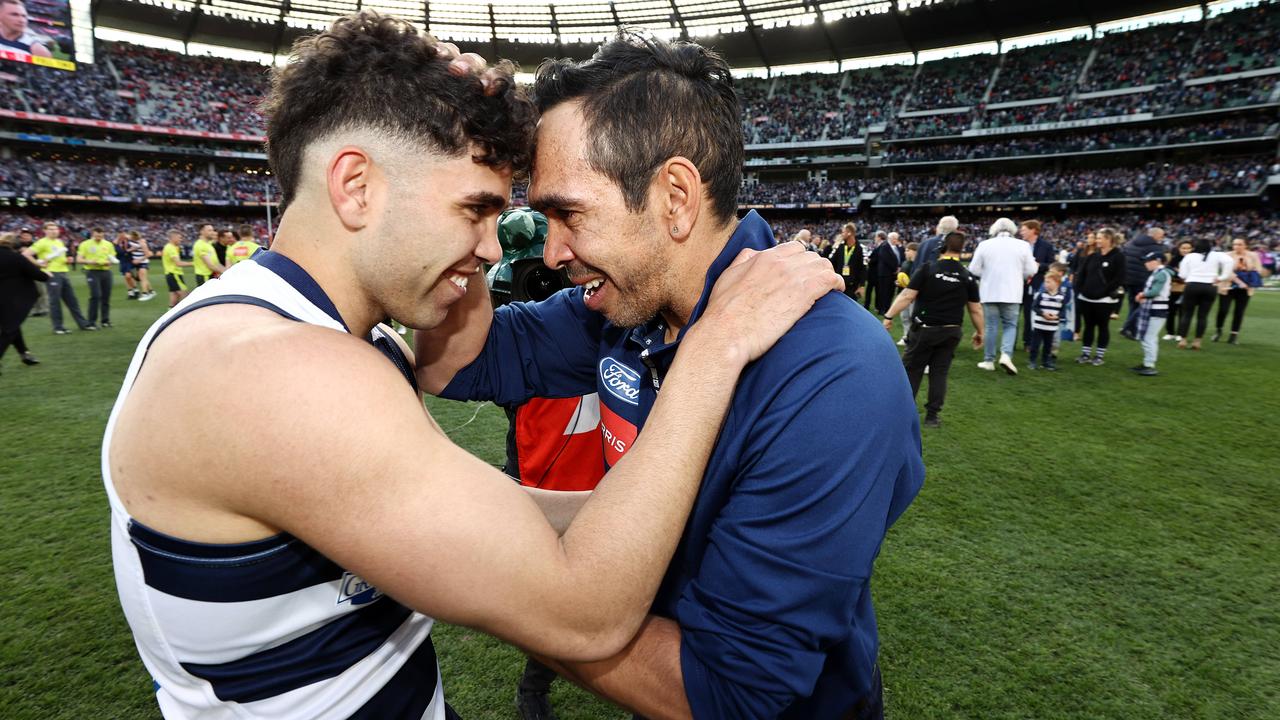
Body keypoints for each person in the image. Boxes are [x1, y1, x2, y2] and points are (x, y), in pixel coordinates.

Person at [102, 14, 841, 719]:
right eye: (474, 209)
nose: (495, 250)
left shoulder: (319, 337)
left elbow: (481, 512)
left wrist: (691, 517)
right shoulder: (274, 375)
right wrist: (715, 345)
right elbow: (585, 615)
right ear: (356, 186)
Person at [420, 32, 923, 719]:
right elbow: (454, 360)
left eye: (567, 213)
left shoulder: (833, 373)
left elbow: (728, 694)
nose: (554, 250)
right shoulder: (622, 304)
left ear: (675, 198)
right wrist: (465, 172)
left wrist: (489, 585)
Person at [881, 230, 982, 428]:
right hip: (951, 331)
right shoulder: (966, 276)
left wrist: (888, 316)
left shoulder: (928, 268)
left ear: (942, 247)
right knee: (939, 373)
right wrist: (980, 332)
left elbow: (907, 296)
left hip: (925, 329)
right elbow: (975, 309)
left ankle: (902, 413)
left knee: (912, 370)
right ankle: (932, 416)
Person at [968, 217, 1036, 375]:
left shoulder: (985, 245)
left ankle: (988, 360)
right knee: (1010, 325)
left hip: (990, 291)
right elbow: (1031, 270)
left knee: (991, 326)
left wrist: (987, 274)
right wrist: (1020, 275)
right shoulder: (1023, 245)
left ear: (994, 229)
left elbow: (974, 269)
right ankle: (1006, 355)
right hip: (1013, 292)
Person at [25, 222, 92, 334]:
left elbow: (60, 258)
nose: (54, 231)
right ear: (45, 231)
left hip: (63, 273)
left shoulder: (59, 242)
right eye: (50, 229)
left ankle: (83, 324)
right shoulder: (42, 242)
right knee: (55, 301)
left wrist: (67, 260)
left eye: (56, 229)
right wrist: (38, 264)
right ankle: (58, 327)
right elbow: (26, 254)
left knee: (72, 300)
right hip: (52, 274)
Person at [1073, 227, 1124, 365]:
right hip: (1086, 298)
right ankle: (1085, 354)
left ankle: (1099, 356)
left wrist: (1103, 292)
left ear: (1109, 239)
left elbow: (1119, 278)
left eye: (1100, 238)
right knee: (1088, 326)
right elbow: (1081, 275)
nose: (1097, 240)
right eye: (1097, 238)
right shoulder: (1092, 256)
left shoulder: (1118, 256)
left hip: (1105, 300)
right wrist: (1081, 290)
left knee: (1103, 326)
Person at [0, 231, 46, 374]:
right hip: (11, 299)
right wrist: (47, 273)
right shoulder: (16, 258)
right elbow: (38, 275)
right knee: (10, 329)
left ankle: (25, 354)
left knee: (13, 325)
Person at [1175, 237, 1233, 350]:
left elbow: (1182, 275)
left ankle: (1183, 340)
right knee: (1203, 316)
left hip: (1192, 285)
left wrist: (1190, 277)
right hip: (1209, 286)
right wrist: (1222, 277)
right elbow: (1230, 261)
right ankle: (1197, 342)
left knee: (1187, 314)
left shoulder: (1190, 256)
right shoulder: (1217, 255)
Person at [1130, 250, 1174, 376]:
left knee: (1149, 338)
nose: (1145, 263)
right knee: (1149, 337)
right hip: (1156, 309)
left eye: (1148, 261)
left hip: (1156, 309)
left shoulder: (1161, 274)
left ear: (1158, 261)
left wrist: (1142, 294)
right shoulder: (1160, 273)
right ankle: (1147, 363)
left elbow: (1155, 291)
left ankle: (1149, 365)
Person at [1212, 237, 1262, 344]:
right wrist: (1239, 282)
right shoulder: (1227, 255)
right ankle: (1218, 330)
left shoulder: (1253, 255)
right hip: (1227, 287)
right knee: (1223, 310)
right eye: (1235, 244)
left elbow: (1258, 270)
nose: (1236, 247)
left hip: (1245, 289)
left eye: (1239, 244)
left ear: (1245, 245)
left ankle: (1234, 335)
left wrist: (1250, 279)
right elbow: (1227, 272)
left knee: (1239, 312)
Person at [1018, 220, 1055, 349]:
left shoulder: (1046, 246)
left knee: (1030, 316)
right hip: (1018, 285)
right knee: (1013, 316)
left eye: (1024, 229)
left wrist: (1039, 266)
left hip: (1035, 285)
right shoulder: (1019, 245)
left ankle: (1028, 343)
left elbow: (1051, 265)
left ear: (1033, 230)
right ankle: (1010, 343)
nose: (1021, 232)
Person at [1121, 226, 1166, 324]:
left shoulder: (1131, 242)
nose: (1162, 238)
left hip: (1128, 279)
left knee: (1133, 304)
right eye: (1161, 236)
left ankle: (1129, 326)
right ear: (1156, 235)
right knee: (1141, 305)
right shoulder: (1155, 247)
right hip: (1143, 279)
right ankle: (1129, 327)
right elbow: (1158, 265)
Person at [77, 226, 117, 328]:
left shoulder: (108, 244)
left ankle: (105, 320)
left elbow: (112, 258)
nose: (98, 236)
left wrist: (110, 262)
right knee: (95, 295)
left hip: (106, 272)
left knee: (106, 297)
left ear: (103, 234)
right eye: (96, 235)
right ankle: (91, 321)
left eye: (100, 235)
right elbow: (79, 259)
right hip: (92, 271)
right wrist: (90, 261)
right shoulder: (85, 244)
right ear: (92, 234)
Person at [1027, 271, 1066, 371]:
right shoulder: (1041, 295)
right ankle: (1032, 361)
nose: (1046, 284)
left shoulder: (1061, 297)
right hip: (1039, 325)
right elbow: (1034, 307)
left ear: (1057, 283)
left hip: (1052, 326)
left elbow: (1063, 311)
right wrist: (1043, 314)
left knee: (1048, 346)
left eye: (1048, 282)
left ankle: (1045, 362)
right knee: (1035, 344)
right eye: (1045, 282)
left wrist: (1056, 317)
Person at [826, 222, 866, 301]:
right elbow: (831, 262)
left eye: (843, 232)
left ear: (849, 233)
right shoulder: (840, 247)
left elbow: (863, 268)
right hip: (839, 283)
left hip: (853, 285)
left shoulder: (860, 248)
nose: (841, 234)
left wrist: (862, 285)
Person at [1163, 240, 1193, 341]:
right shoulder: (1174, 259)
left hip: (1187, 289)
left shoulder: (1195, 260)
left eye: (1188, 248)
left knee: (1183, 312)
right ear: (1179, 248)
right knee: (1171, 311)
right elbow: (1169, 272)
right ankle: (1170, 332)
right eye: (1183, 248)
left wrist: (1179, 273)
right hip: (1173, 289)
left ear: (1192, 249)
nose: (1186, 250)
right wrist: (1179, 275)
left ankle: (1181, 334)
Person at [870, 230, 903, 317]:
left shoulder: (897, 247)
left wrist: (899, 267)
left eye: (897, 238)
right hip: (885, 274)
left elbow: (900, 258)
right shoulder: (885, 246)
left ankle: (888, 308)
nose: (896, 240)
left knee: (890, 292)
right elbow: (886, 259)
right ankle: (882, 310)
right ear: (891, 238)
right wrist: (895, 268)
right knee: (884, 292)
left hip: (893, 274)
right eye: (895, 238)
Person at [161, 229, 192, 307]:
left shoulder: (170, 247)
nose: (181, 240)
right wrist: (194, 263)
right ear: (173, 237)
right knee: (185, 296)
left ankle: (168, 316)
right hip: (174, 274)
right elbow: (178, 263)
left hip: (170, 274)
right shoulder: (171, 248)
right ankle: (186, 315)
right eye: (179, 238)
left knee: (174, 297)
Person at [127, 231, 156, 301]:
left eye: (130, 236)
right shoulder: (131, 242)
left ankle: (145, 294)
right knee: (142, 278)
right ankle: (151, 291)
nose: (129, 237)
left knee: (143, 278)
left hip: (143, 262)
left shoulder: (142, 243)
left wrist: (139, 260)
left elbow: (148, 254)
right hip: (136, 263)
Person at [115, 231, 138, 299]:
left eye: (123, 234)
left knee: (128, 276)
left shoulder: (130, 241)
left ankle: (134, 289)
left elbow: (136, 246)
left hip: (129, 260)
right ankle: (131, 292)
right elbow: (118, 251)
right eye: (120, 235)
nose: (122, 236)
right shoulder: (117, 242)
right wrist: (128, 251)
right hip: (122, 261)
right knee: (126, 277)